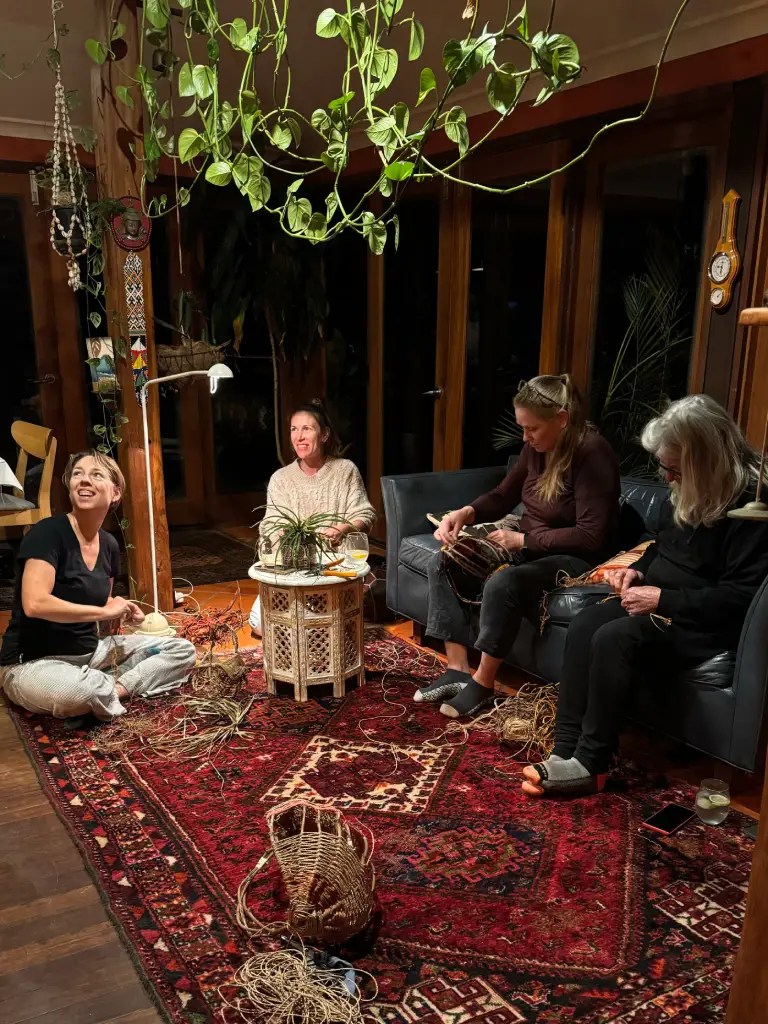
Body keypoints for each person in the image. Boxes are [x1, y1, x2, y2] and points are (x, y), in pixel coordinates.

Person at [522, 394, 768, 797]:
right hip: (661, 601)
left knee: (614, 636)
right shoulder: (691, 487)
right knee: (585, 624)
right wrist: (638, 570)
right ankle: (564, 748)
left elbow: (740, 598)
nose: (668, 479)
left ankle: (591, 763)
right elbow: (662, 545)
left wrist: (662, 600)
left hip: (700, 621)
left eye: (675, 470)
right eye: (664, 468)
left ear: (705, 462)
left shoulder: (752, 508)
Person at [417, 374, 620, 718]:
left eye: (532, 429)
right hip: (529, 539)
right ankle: (457, 670)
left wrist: (524, 540)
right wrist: (466, 513)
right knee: (446, 559)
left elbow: (590, 536)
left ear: (562, 419)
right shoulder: (536, 448)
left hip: (574, 556)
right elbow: (503, 495)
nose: (525, 437)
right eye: (522, 428)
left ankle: (483, 684)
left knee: (504, 582)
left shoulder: (592, 453)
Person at [0, 451, 196, 724]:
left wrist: (120, 610)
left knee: (182, 650)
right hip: (33, 662)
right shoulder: (47, 534)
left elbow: (99, 608)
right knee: (80, 691)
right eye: (77, 474)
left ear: (115, 493)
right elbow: (35, 604)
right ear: (69, 487)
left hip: (93, 654)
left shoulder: (109, 545)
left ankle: (114, 689)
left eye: (96, 475)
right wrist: (104, 612)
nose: (84, 481)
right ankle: (100, 688)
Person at [249, 400, 375, 634]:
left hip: (333, 571)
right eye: (294, 430)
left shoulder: (345, 470)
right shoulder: (281, 478)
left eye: (307, 429)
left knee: (325, 624)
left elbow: (364, 514)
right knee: (258, 624)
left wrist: (342, 529)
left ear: (324, 434)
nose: (299, 436)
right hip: (294, 571)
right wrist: (281, 533)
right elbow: (269, 523)